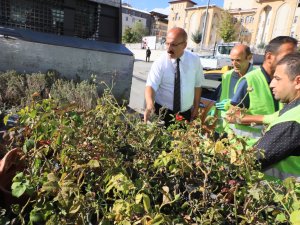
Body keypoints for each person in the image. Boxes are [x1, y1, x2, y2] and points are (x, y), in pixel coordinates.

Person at [226, 36, 298, 142]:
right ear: (269, 57)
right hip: (248, 151)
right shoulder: (250, 81)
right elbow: (230, 117)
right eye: (287, 56)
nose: (292, 61)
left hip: (273, 148)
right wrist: (265, 119)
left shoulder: (287, 82)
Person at [144, 27, 204, 127]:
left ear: (184, 45)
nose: (168, 48)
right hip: (162, 114)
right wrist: (150, 104)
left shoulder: (194, 60)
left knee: (181, 142)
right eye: (167, 43)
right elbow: (151, 85)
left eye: (173, 45)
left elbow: (197, 85)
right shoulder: (160, 62)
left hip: (185, 114)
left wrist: (196, 107)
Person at [255, 53, 300, 181]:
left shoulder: (292, 121)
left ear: (297, 82)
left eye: (277, 79)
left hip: (284, 197)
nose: (271, 84)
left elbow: (255, 159)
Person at [214, 44, 254, 134]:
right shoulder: (227, 76)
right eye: (232, 60)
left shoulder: (257, 77)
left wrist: (231, 104)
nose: (234, 64)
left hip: (244, 132)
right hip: (224, 129)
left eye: (238, 60)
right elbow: (219, 99)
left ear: (249, 57)